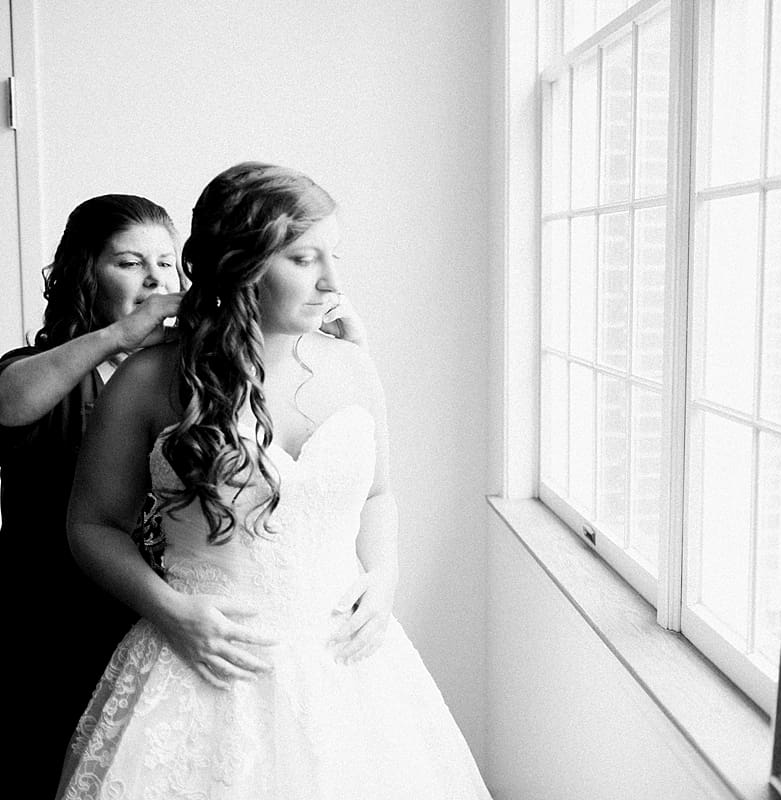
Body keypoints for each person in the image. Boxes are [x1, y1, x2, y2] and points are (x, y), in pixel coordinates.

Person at [55, 162, 491, 799]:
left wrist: (386, 574)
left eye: (333, 255)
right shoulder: (149, 380)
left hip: (350, 667)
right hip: (202, 660)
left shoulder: (353, 367)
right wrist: (173, 612)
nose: (332, 281)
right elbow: (91, 526)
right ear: (244, 264)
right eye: (304, 258)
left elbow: (378, 495)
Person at [0, 194, 184, 788]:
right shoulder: (40, 367)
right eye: (130, 263)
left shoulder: (177, 378)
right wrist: (119, 335)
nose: (156, 278)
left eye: (167, 261)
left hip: (148, 610)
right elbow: (9, 403)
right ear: (87, 272)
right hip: (52, 617)